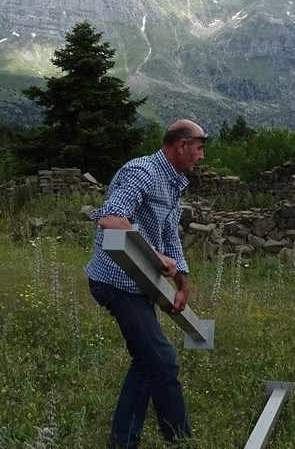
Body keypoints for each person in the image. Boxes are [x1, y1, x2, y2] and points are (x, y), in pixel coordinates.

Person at [85, 119, 206, 449]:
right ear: (181, 146)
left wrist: (182, 281)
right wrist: (156, 257)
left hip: (140, 283)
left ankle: (122, 442)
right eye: (199, 147)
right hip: (116, 282)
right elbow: (109, 219)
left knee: (147, 361)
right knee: (163, 361)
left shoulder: (173, 182)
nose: (202, 155)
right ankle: (181, 441)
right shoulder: (142, 172)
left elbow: (169, 236)